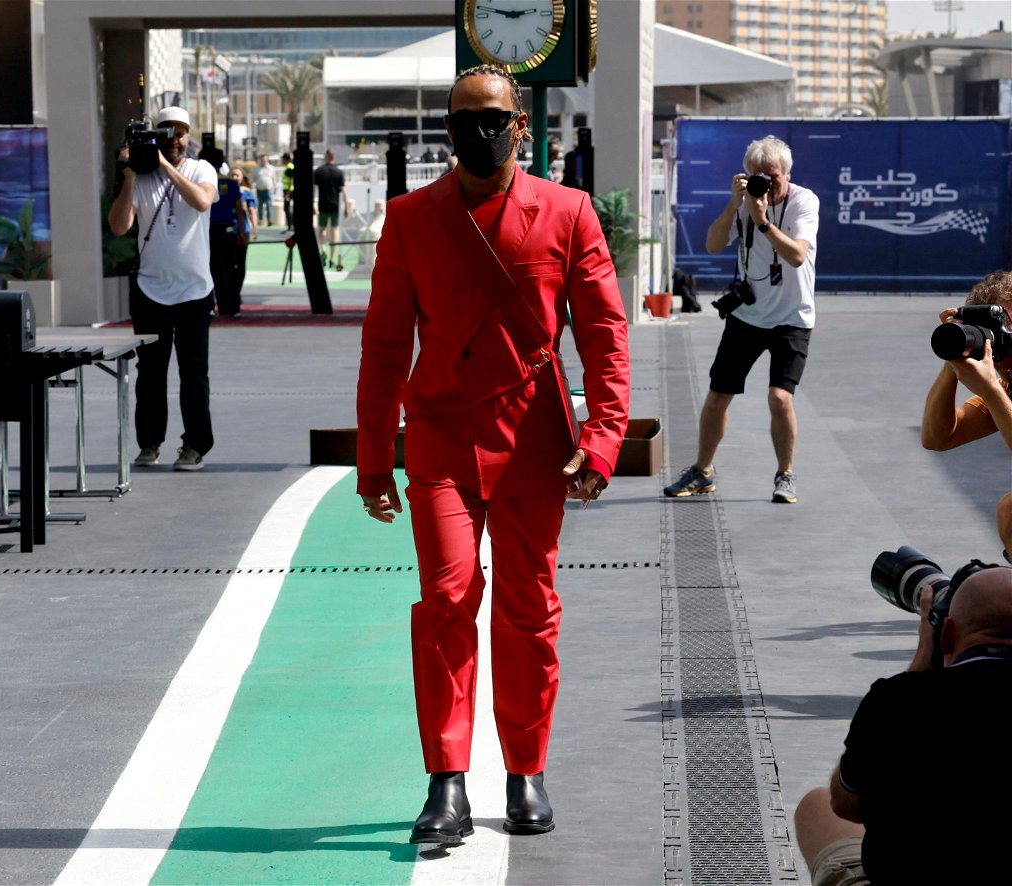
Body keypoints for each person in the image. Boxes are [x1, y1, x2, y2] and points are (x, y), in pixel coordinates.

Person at [356, 64, 630, 846]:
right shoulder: (411, 218)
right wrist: (376, 460)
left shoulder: (569, 212)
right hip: (440, 438)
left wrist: (602, 439)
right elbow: (382, 347)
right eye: (464, 118)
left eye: (494, 118)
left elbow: (605, 336)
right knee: (445, 601)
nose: (481, 130)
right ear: (447, 129)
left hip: (533, 441)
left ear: (520, 126)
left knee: (528, 611)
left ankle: (525, 771)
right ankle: (447, 781)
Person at [793, 565, 1012, 885]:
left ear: (947, 634)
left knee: (816, 806)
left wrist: (921, 661)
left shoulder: (897, 701)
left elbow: (845, 804)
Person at [664, 134, 819, 504]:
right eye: (758, 177)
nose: (767, 184)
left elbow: (797, 255)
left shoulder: (804, 201)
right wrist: (735, 204)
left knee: (780, 398)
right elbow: (713, 245)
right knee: (718, 396)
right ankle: (703, 471)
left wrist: (763, 222)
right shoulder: (744, 203)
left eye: (774, 176)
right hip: (748, 315)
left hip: (792, 318)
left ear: (788, 173)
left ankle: (786, 475)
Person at [108, 105, 217, 472]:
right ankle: (149, 443)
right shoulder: (140, 178)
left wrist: (167, 168)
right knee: (150, 374)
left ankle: (195, 446)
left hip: (194, 291)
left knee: (194, 372)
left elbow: (202, 201)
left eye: (182, 132)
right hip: (151, 290)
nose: (176, 138)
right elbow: (119, 226)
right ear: (156, 135)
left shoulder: (201, 169)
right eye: (168, 131)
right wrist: (128, 176)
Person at [921, 270, 1012, 561]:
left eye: (1006, 324)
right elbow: (937, 437)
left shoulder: (1000, 391)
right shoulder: (1007, 386)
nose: (997, 341)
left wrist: (990, 390)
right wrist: (955, 360)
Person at [199, 148, 246, 318]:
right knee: (229, 268)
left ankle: (214, 304)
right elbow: (239, 210)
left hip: (206, 232)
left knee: (211, 268)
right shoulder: (231, 183)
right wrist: (241, 232)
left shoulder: (198, 182)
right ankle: (232, 307)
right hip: (227, 231)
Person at [227, 166, 258, 310]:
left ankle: (236, 292)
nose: (234, 178)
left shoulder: (246, 193)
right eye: (232, 175)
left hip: (242, 231)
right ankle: (230, 293)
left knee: (240, 264)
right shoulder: (223, 190)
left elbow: (252, 211)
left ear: (242, 177)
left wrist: (255, 228)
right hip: (227, 231)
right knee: (229, 263)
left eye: (237, 176)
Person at [313, 148, 348, 271]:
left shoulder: (318, 171)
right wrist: (347, 205)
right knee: (335, 231)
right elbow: (344, 190)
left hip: (323, 205)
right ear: (334, 157)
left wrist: (313, 204)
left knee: (321, 230)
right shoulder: (339, 172)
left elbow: (314, 190)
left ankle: (323, 250)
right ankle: (332, 259)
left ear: (326, 157)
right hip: (335, 205)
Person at [253, 154, 275, 226]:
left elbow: (274, 179)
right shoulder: (257, 168)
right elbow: (253, 179)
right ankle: (261, 219)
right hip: (259, 189)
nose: (264, 161)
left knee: (269, 205)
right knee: (260, 205)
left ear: (267, 160)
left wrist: (275, 187)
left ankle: (270, 220)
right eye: (262, 160)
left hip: (268, 189)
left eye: (265, 160)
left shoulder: (271, 168)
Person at [280, 151, 294, 229]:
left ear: (286, 159)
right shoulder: (288, 167)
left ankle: (291, 226)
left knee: (287, 208)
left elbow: (291, 180)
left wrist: (288, 193)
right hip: (287, 190)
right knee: (286, 208)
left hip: (289, 191)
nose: (282, 161)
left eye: (283, 159)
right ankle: (290, 226)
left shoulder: (290, 167)